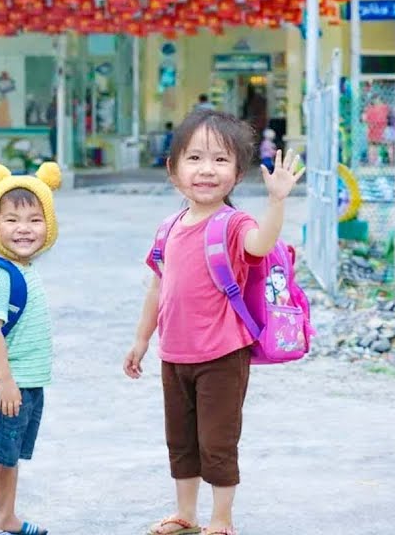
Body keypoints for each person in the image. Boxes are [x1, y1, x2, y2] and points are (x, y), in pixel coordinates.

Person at [123, 109, 304, 535]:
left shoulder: (234, 224)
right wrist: (141, 340)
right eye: (195, 158)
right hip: (174, 355)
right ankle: (186, 513)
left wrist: (277, 202)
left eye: (221, 160)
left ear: (237, 174)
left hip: (222, 354)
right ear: (173, 170)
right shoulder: (168, 228)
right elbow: (157, 288)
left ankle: (221, 520)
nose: (207, 169)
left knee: (217, 441)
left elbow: (260, 245)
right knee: (181, 440)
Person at [0, 162, 61, 535]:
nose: (24, 228)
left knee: (9, 455)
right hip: (2, 385)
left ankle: (6, 517)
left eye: (35, 220)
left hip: (26, 383)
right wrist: (5, 380)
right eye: (11, 220)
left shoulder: (24, 268)